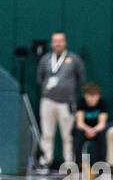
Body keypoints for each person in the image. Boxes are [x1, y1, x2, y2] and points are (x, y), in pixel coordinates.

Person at [36, 32, 86, 169]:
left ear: (65, 42)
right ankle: (46, 160)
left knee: (68, 135)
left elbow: (81, 79)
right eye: (55, 41)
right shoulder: (46, 59)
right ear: (52, 43)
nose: (58, 43)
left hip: (66, 102)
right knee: (47, 133)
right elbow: (40, 78)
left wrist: (69, 91)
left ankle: (69, 162)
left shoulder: (74, 59)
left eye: (60, 41)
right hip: (48, 101)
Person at [74, 82, 108, 165]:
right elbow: (79, 123)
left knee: (103, 135)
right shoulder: (81, 102)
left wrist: (93, 130)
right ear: (85, 96)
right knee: (77, 134)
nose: (92, 98)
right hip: (84, 129)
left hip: (97, 129)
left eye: (95, 95)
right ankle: (78, 164)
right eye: (90, 96)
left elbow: (102, 124)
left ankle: (101, 165)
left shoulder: (102, 103)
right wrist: (88, 129)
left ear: (99, 96)